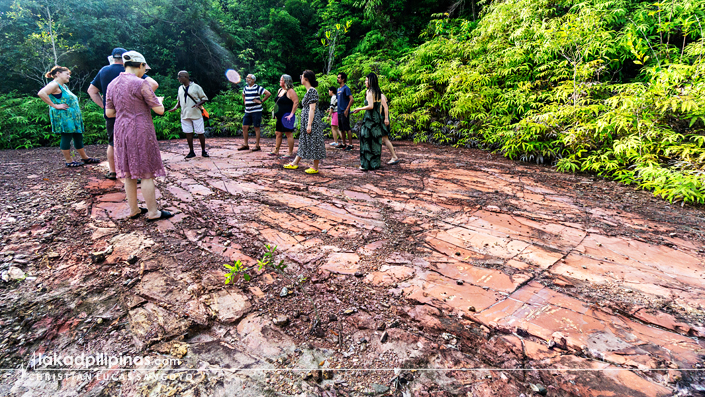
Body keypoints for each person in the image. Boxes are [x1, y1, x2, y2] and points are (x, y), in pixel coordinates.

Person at [105, 51, 172, 221]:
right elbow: (160, 110)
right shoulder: (140, 83)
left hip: (120, 130)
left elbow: (109, 112)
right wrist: (160, 101)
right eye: (144, 68)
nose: (144, 71)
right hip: (140, 129)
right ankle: (153, 212)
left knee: (128, 172)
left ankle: (133, 209)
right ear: (141, 65)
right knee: (146, 172)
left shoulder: (112, 84)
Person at [88, 47, 159, 179]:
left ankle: (113, 171)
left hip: (113, 114)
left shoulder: (104, 71)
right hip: (134, 115)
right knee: (135, 143)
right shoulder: (131, 70)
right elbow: (153, 84)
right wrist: (144, 100)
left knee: (112, 142)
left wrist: (104, 105)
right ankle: (137, 173)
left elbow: (91, 90)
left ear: (113, 57)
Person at [37, 66, 100, 168]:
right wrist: (55, 105)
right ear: (58, 73)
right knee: (66, 137)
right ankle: (69, 161)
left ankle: (85, 157)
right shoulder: (54, 85)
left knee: (78, 136)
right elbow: (41, 93)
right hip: (64, 117)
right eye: (67, 74)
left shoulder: (64, 86)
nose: (69, 76)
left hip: (72, 117)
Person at [352, 73, 399, 170]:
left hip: (374, 119)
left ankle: (367, 164)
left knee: (374, 139)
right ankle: (374, 163)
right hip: (377, 118)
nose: (365, 82)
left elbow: (377, 107)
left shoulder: (373, 92)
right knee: (377, 140)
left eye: (366, 80)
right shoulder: (376, 92)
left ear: (370, 81)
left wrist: (385, 118)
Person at [283, 70, 325, 174]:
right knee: (303, 141)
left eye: (302, 76)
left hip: (312, 122)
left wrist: (309, 124)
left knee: (315, 142)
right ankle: (295, 162)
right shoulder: (309, 91)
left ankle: (315, 167)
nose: (300, 77)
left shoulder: (312, 91)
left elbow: (312, 109)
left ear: (306, 79)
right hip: (307, 121)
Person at [168, 71, 209, 159]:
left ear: (185, 77)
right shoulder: (180, 88)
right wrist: (175, 108)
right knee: (188, 133)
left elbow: (204, 98)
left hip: (196, 114)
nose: (178, 78)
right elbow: (179, 101)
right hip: (185, 114)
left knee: (200, 132)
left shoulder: (196, 87)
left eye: (179, 76)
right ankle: (191, 151)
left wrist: (198, 104)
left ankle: (203, 151)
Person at [239, 74, 271, 151]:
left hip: (256, 110)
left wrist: (261, 101)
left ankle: (257, 145)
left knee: (256, 127)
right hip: (248, 110)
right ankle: (246, 145)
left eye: (248, 78)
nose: (246, 79)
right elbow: (243, 94)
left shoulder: (257, 87)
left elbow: (268, 93)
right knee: (244, 127)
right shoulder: (245, 88)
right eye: (246, 78)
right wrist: (245, 102)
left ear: (253, 80)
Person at [269, 74, 298, 158]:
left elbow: (296, 102)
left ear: (285, 81)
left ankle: (290, 152)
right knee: (278, 133)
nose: (280, 81)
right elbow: (277, 103)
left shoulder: (290, 91)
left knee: (288, 133)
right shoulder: (280, 90)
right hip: (279, 115)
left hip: (287, 116)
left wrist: (291, 114)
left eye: (281, 80)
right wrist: (275, 112)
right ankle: (276, 150)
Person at [336, 72, 354, 151]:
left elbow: (351, 99)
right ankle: (343, 144)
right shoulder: (338, 89)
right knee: (341, 128)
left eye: (339, 77)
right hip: (339, 111)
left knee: (347, 128)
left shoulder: (346, 88)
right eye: (337, 77)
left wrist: (347, 109)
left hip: (344, 111)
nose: (338, 79)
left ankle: (350, 145)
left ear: (343, 79)